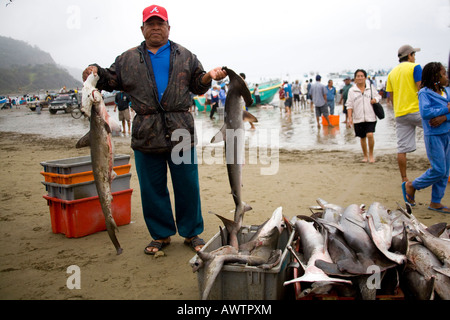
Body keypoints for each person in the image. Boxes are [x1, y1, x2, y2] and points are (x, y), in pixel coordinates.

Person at [82, 4, 227, 255]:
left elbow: (198, 84)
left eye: (161, 23)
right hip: (145, 132)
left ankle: (191, 231)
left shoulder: (186, 55)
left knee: (187, 186)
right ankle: (160, 235)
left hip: (180, 130)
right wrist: (93, 69)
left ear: (169, 27)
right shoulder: (127, 59)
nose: (156, 27)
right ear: (143, 28)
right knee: (152, 188)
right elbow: (108, 79)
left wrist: (208, 76)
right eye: (151, 24)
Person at [403, 62, 450, 213]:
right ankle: (412, 185)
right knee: (438, 169)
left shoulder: (447, 91)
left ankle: (436, 201)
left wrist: (444, 117)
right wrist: (446, 109)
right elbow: (425, 112)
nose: (446, 76)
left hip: (447, 132)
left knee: (445, 171)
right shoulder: (424, 93)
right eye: (443, 74)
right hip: (434, 135)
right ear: (435, 77)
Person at [386, 44, 423, 182]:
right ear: (409, 55)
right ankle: (439, 169)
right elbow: (421, 89)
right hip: (417, 110)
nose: (415, 57)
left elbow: (391, 95)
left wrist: (397, 109)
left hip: (400, 113)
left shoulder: (392, 73)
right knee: (435, 136)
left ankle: (404, 178)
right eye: (414, 54)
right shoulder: (415, 67)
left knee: (402, 148)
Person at [346, 69, 381, 163]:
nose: (360, 78)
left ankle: (371, 155)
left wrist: (375, 100)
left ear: (365, 78)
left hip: (370, 116)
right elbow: (349, 105)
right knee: (362, 137)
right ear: (355, 78)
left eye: (362, 76)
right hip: (358, 118)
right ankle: (365, 156)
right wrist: (350, 118)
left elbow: (378, 96)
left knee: (370, 134)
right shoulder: (352, 90)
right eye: (358, 76)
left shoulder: (370, 88)